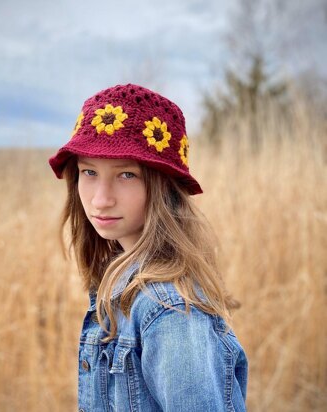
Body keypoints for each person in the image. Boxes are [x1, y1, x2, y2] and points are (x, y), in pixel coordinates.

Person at [48, 83, 248, 411]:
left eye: (127, 174)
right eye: (89, 171)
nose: (101, 198)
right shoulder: (120, 278)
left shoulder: (168, 311)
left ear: (162, 187)